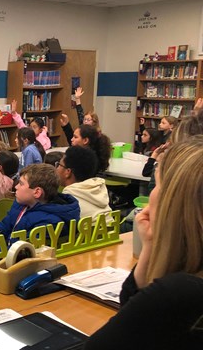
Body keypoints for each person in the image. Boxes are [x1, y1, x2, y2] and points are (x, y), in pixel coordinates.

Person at [85, 136, 203, 349]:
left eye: (157, 184)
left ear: (174, 201)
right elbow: (134, 314)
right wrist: (151, 247)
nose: (151, 194)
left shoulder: (178, 294)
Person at [55, 146, 112, 221]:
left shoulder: (68, 201)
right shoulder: (99, 190)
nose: (56, 168)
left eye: (59, 165)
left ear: (67, 172)